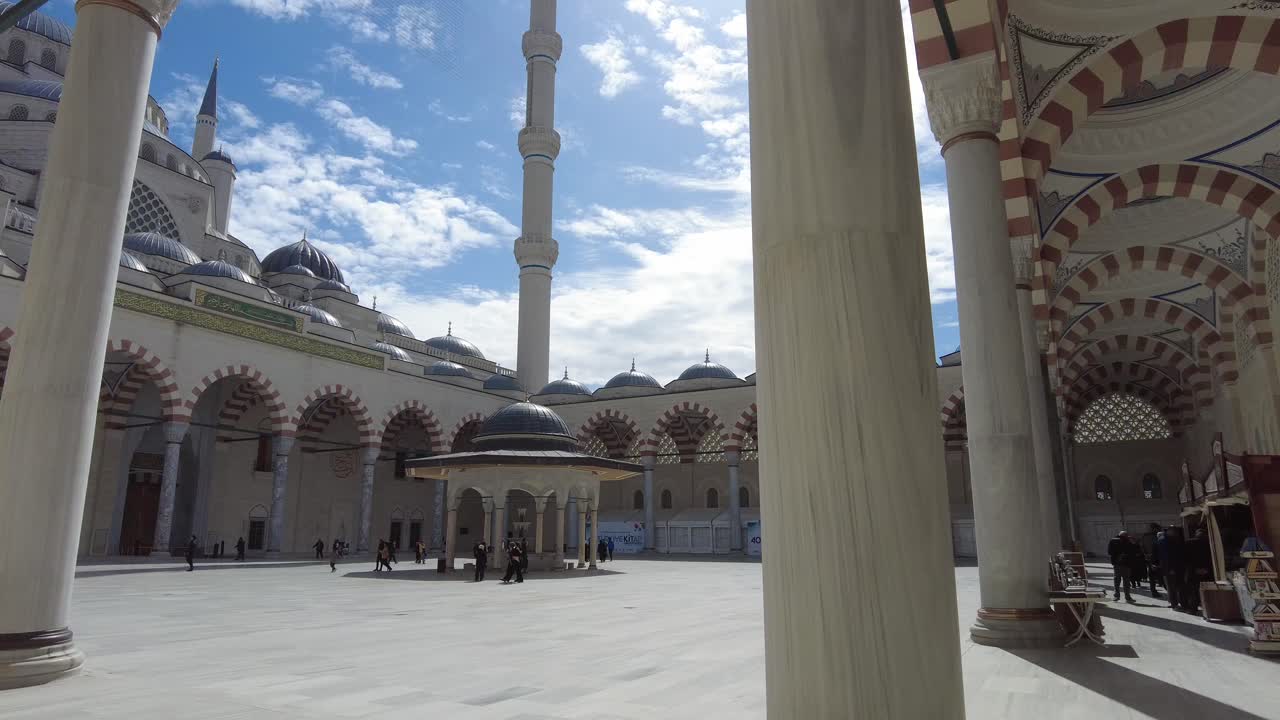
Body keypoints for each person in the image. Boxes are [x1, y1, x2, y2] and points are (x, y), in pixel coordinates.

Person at [1156, 525, 1186, 609]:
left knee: (1180, 586)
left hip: (1178, 567)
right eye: (1173, 530)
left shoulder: (1176, 539)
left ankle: (1182, 603)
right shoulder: (1163, 541)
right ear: (1169, 531)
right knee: (1172, 587)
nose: (1175, 532)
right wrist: (1170, 568)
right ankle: (1174, 603)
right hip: (1169, 568)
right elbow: (1165, 556)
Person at [1184, 527, 1212, 614]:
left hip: (1193, 571)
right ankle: (1208, 608)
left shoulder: (1188, 542)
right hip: (1207, 570)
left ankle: (1193, 609)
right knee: (1207, 590)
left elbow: (1186, 558)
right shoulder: (1209, 543)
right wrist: (1206, 568)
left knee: (1193, 591)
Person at [1107, 530, 1137, 602]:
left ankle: (1119, 596)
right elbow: (1134, 551)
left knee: (1118, 580)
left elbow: (1109, 552)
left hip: (1121, 564)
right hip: (1124, 564)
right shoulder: (1118, 541)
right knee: (1124, 581)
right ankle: (1126, 597)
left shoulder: (1113, 541)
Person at [1139, 523, 1162, 599]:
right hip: (1158, 559)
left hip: (1149, 559)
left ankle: (1153, 591)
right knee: (1161, 575)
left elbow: (1142, 547)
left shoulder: (1144, 536)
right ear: (1155, 528)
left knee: (1152, 576)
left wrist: (1146, 555)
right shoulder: (1157, 536)